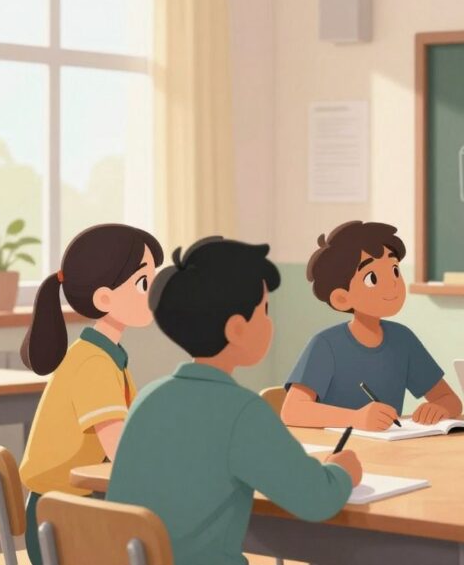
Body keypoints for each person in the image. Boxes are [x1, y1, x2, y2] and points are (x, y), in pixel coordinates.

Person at [107, 237, 361, 565]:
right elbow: (316, 499)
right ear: (237, 329)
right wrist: (343, 471)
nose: (270, 322)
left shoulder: (148, 397)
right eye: (264, 310)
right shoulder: (242, 411)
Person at [18, 224, 162, 565]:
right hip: (63, 522)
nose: (154, 292)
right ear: (104, 298)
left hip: (72, 509)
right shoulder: (93, 363)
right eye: (144, 283)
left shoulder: (106, 355)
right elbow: (121, 450)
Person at [280, 221, 462, 430]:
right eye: (372, 278)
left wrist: (439, 408)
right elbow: (292, 411)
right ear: (341, 298)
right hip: (336, 445)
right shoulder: (325, 344)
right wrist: (356, 418)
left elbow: (450, 400)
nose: (392, 283)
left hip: (388, 445)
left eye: (394, 270)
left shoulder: (403, 340)